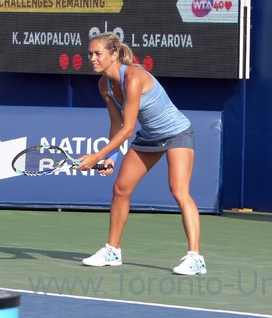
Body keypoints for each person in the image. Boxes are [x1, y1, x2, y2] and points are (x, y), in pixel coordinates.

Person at [78, 32, 206, 275]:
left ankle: (195, 257)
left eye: (98, 54)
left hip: (177, 132)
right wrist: (111, 156)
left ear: (114, 55)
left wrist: (95, 156)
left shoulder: (134, 78)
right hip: (150, 136)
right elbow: (117, 124)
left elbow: (127, 129)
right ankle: (112, 250)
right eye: (90, 54)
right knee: (120, 189)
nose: (92, 58)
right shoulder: (103, 84)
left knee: (179, 190)